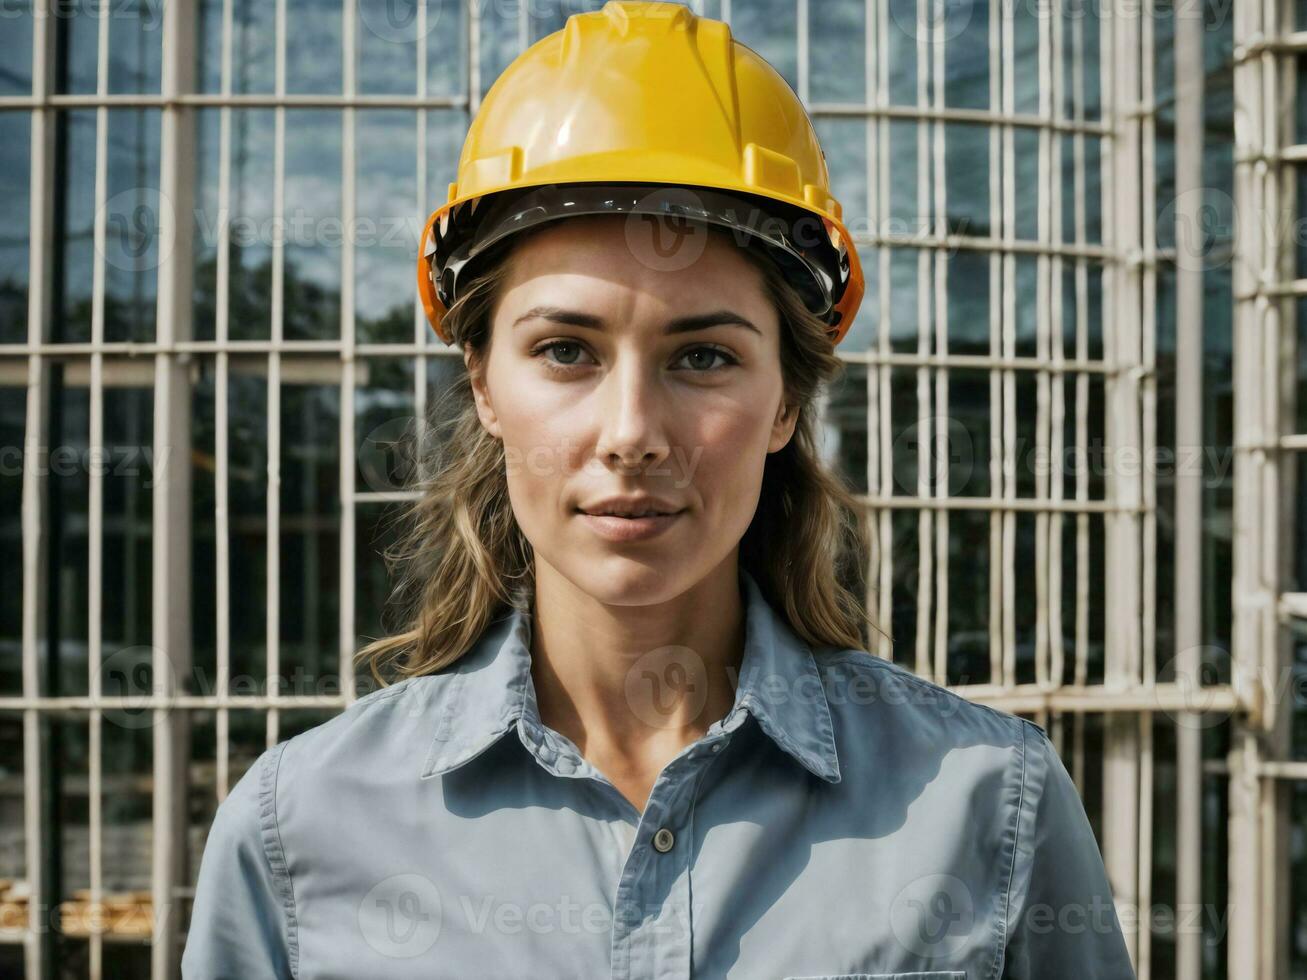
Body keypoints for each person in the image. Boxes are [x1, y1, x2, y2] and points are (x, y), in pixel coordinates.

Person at [182, 3, 1136, 978]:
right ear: (481, 383)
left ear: (784, 401)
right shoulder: (297, 832)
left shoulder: (988, 804)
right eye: (564, 350)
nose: (631, 432)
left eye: (702, 355)